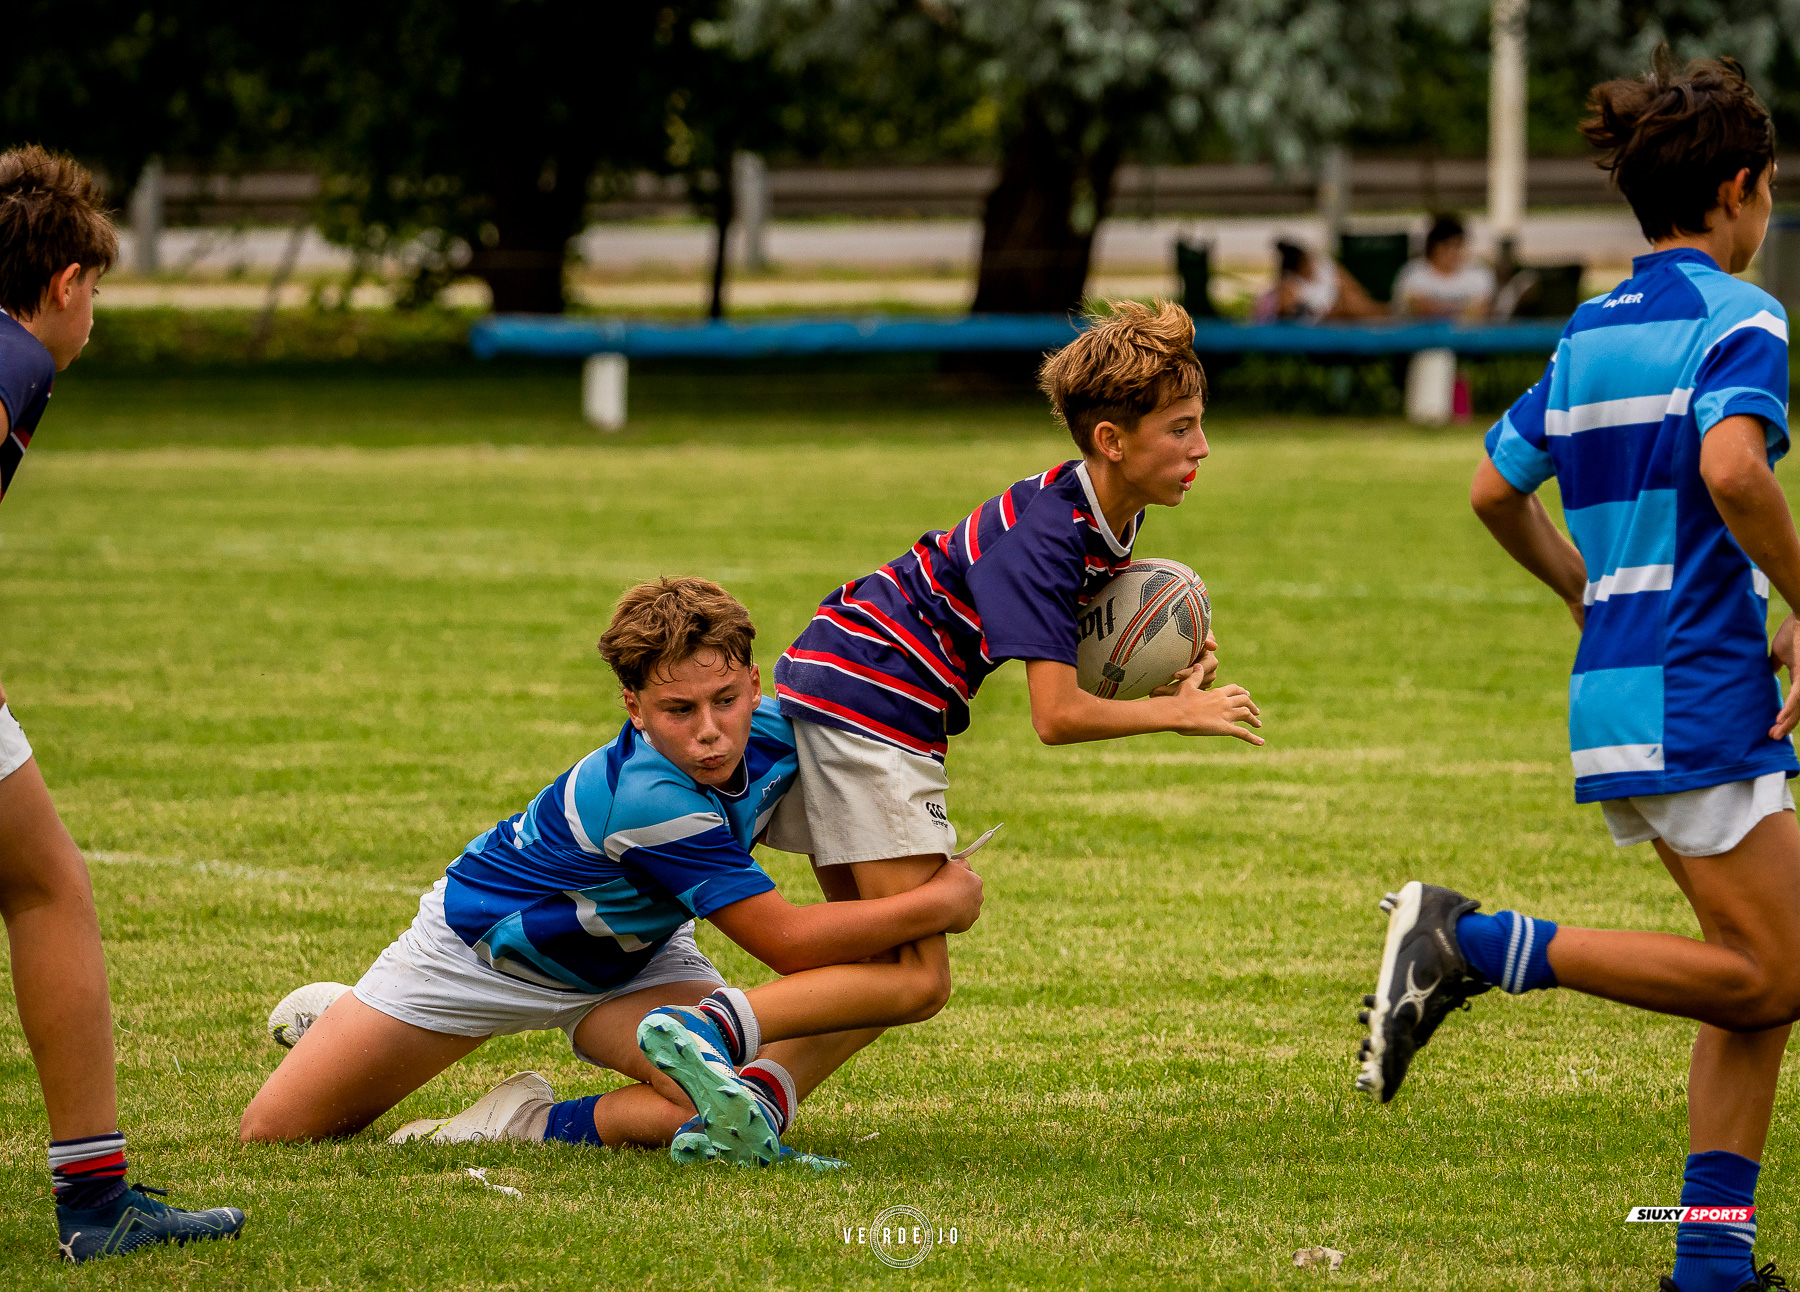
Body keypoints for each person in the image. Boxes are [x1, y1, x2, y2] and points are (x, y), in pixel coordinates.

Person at [1355, 54, 1796, 1292]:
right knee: (1780, 968)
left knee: (1751, 973)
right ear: (1740, 189)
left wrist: (1579, 586)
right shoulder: (1740, 318)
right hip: (1698, 682)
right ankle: (1476, 941)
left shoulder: (1595, 326)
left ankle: (1713, 1265)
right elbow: (1735, 473)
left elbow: (1496, 483)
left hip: (1624, 683)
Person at [239, 578, 984, 1165]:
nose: (708, 731)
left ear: (757, 685)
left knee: (718, 1107)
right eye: (677, 709)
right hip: (479, 958)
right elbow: (786, 943)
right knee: (276, 1133)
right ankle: (350, 1020)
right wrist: (942, 899)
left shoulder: (776, 734)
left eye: (726, 700)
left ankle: (523, 1123)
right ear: (633, 706)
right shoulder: (646, 797)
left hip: (639, 961)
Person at [763, 299, 1263, 1087]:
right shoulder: (1050, 535)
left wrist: (1160, 674)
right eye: (1181, 428)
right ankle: (715, 1032)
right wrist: (1178, 713)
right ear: (1113, 440)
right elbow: (1056, 717)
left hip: (852, 680)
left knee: (873, 958)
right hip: (876, 701)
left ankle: (750, 1097)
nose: (1202, 446)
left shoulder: (1094, 510)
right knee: (918, 978)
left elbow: (1079, 643)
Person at [0, 147, 247, 1263]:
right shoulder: (12, 356)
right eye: (95, 288)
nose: (93, 309)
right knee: (47, 886)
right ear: (63, 283)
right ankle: (96, 1204)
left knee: (39, 874)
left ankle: (98, 1194)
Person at [1392, 214, 1495, 319]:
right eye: (1447, 246)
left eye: (1458, 245)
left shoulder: (1479, 273)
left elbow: (1480, 309)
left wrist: (1439, 308)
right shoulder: (1413, 273)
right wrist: (1460, 310)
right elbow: (1418, 308)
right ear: (1434, 247)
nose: (1453, 252)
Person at [1257, 240, 1385, 321]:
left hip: (1342, 312)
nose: (1310, 266)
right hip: (1322, 321)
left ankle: (1385, 318)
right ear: (1299, 267)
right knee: (1347, 311)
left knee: (1353, 304)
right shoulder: (1290, 285)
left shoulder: (1325, 268)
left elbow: (1354, 290)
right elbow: (1286, 312)